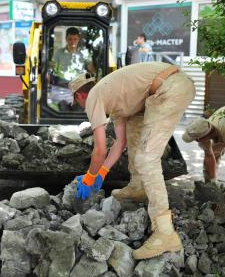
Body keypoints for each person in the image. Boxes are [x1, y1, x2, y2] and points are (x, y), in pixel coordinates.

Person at [68, 62, 195, 259]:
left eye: (77, 102)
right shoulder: (116, 99)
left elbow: (100, 150)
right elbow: (120, 143)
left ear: (80, 96)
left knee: (146, 158)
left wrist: (89, 177)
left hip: (170, 88)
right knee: (134, 132)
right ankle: (138, 187)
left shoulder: (94, 96)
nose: (81, 106)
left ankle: (165, 233)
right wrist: (102, 172)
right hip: (165, 87)